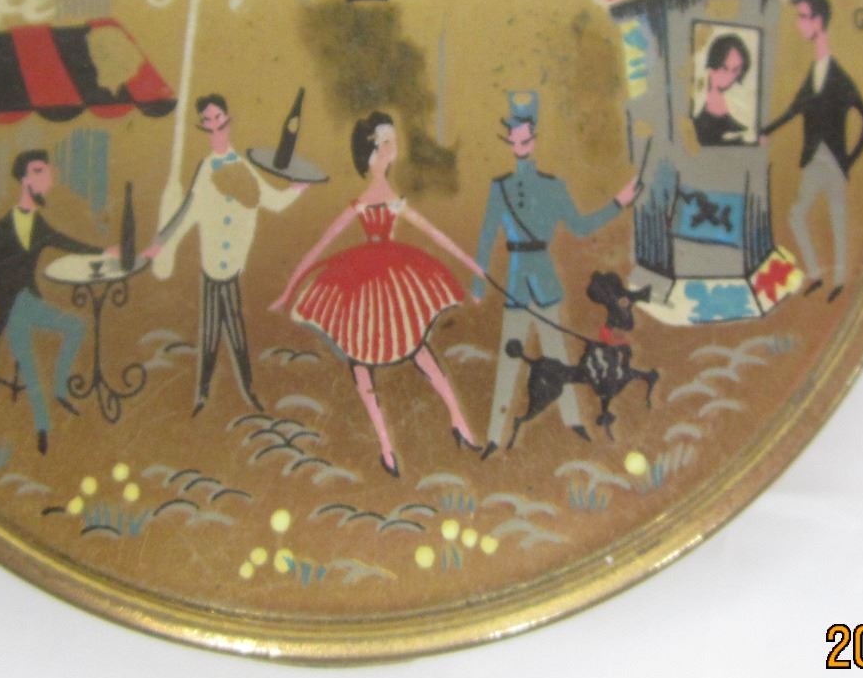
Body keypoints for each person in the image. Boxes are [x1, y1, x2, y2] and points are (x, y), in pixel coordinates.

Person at [270, 112, 481, 478]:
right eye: (383, 142)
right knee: (364, 359)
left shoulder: (393, 199)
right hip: (363, 284)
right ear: (368, 154)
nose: (390, 147)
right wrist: (290, 287)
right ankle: (386, 445)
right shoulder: (363, 201)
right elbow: (321, 244)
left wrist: (473, 265)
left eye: (391, 140)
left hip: (393, 278)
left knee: (415, 348)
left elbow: (434, 234)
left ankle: (457, 419)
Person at [472, 91, 641, 458]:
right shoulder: (499, 188)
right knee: (509, 359)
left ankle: (574, 423)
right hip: (516, 284)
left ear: (533, 137)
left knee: (559, 357)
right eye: (514, 136)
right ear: (509, 139)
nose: (520, 143)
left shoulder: (553, 186)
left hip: (546, 282)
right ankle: (494, 435)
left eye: (525, 135)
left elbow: (580, 226)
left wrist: (618, 202)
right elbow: (486, 235)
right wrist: (477, 281)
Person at [144, 94, 310, 415]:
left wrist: (298, 188)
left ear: (228, 120)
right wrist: (162, 242)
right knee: (210, 333)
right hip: (211, 267)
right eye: (208, 122)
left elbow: (273, 201)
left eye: (219, 119)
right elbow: (186, 212)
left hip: (232, 266)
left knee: (235, 332)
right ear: (203, 127)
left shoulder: (243, 167)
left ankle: (247, 390)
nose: (215, 126)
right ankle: (203, 393)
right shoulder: (206, 169)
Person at [0, 150, 108, 455]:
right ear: (25, 179)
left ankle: (59, 389)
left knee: (75, 327)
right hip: (11, 310)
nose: (47, 179)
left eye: (47, 172)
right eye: (39, 172)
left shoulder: (38, 224)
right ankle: (43, 427)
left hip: (30, 302)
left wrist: (102, 252)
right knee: (30, 368)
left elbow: (65, 242)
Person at [759, 0, 863, 302]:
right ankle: (817, 273)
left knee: (837, 215)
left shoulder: (838, 76)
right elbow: (795, 109)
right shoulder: (814, 72)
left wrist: (849, 159)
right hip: (813, 158)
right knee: (797, 214)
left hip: (833, 159)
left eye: (803, 17)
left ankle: (840, 280)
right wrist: (766, 131)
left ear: (818, 21)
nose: (798, 24)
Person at [693, 32, 752, 146]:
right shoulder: (695, 118)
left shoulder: (739, 118)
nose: (730, 77)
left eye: (735, 70)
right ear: (713, 64)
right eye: (724, 68)